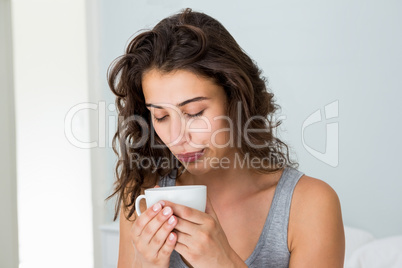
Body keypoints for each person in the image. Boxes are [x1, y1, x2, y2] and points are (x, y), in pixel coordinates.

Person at [107, 8, 345, 268]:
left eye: (194, 112)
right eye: (161, 116)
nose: (176, 137)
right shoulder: (143, 192)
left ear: (235, 100)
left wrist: (222, 261)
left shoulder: (309, 204)